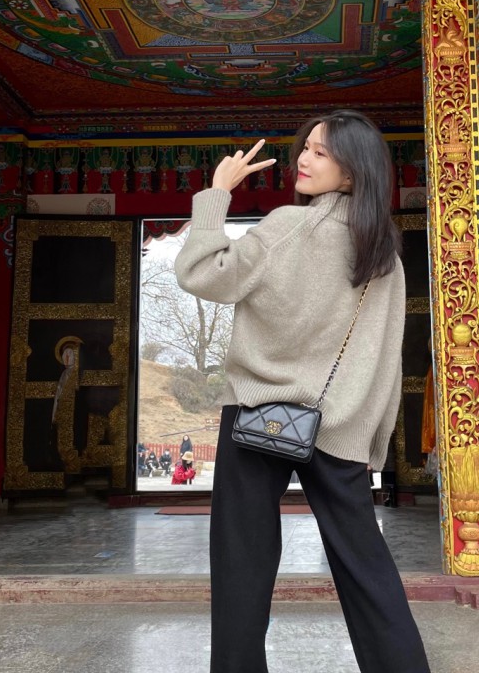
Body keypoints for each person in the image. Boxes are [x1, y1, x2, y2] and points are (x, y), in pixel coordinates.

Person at [174, 110, 430, 673]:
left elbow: (201, 273)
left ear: (352, 171)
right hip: (341, 427)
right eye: (305, 148)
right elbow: (386, 363)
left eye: (320, 152)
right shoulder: (386, 258)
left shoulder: (288, 225)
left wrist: (218, 193)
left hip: (256, 415)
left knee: (242, 562)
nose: (303, 160)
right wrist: (372, 445)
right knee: (366, 567)